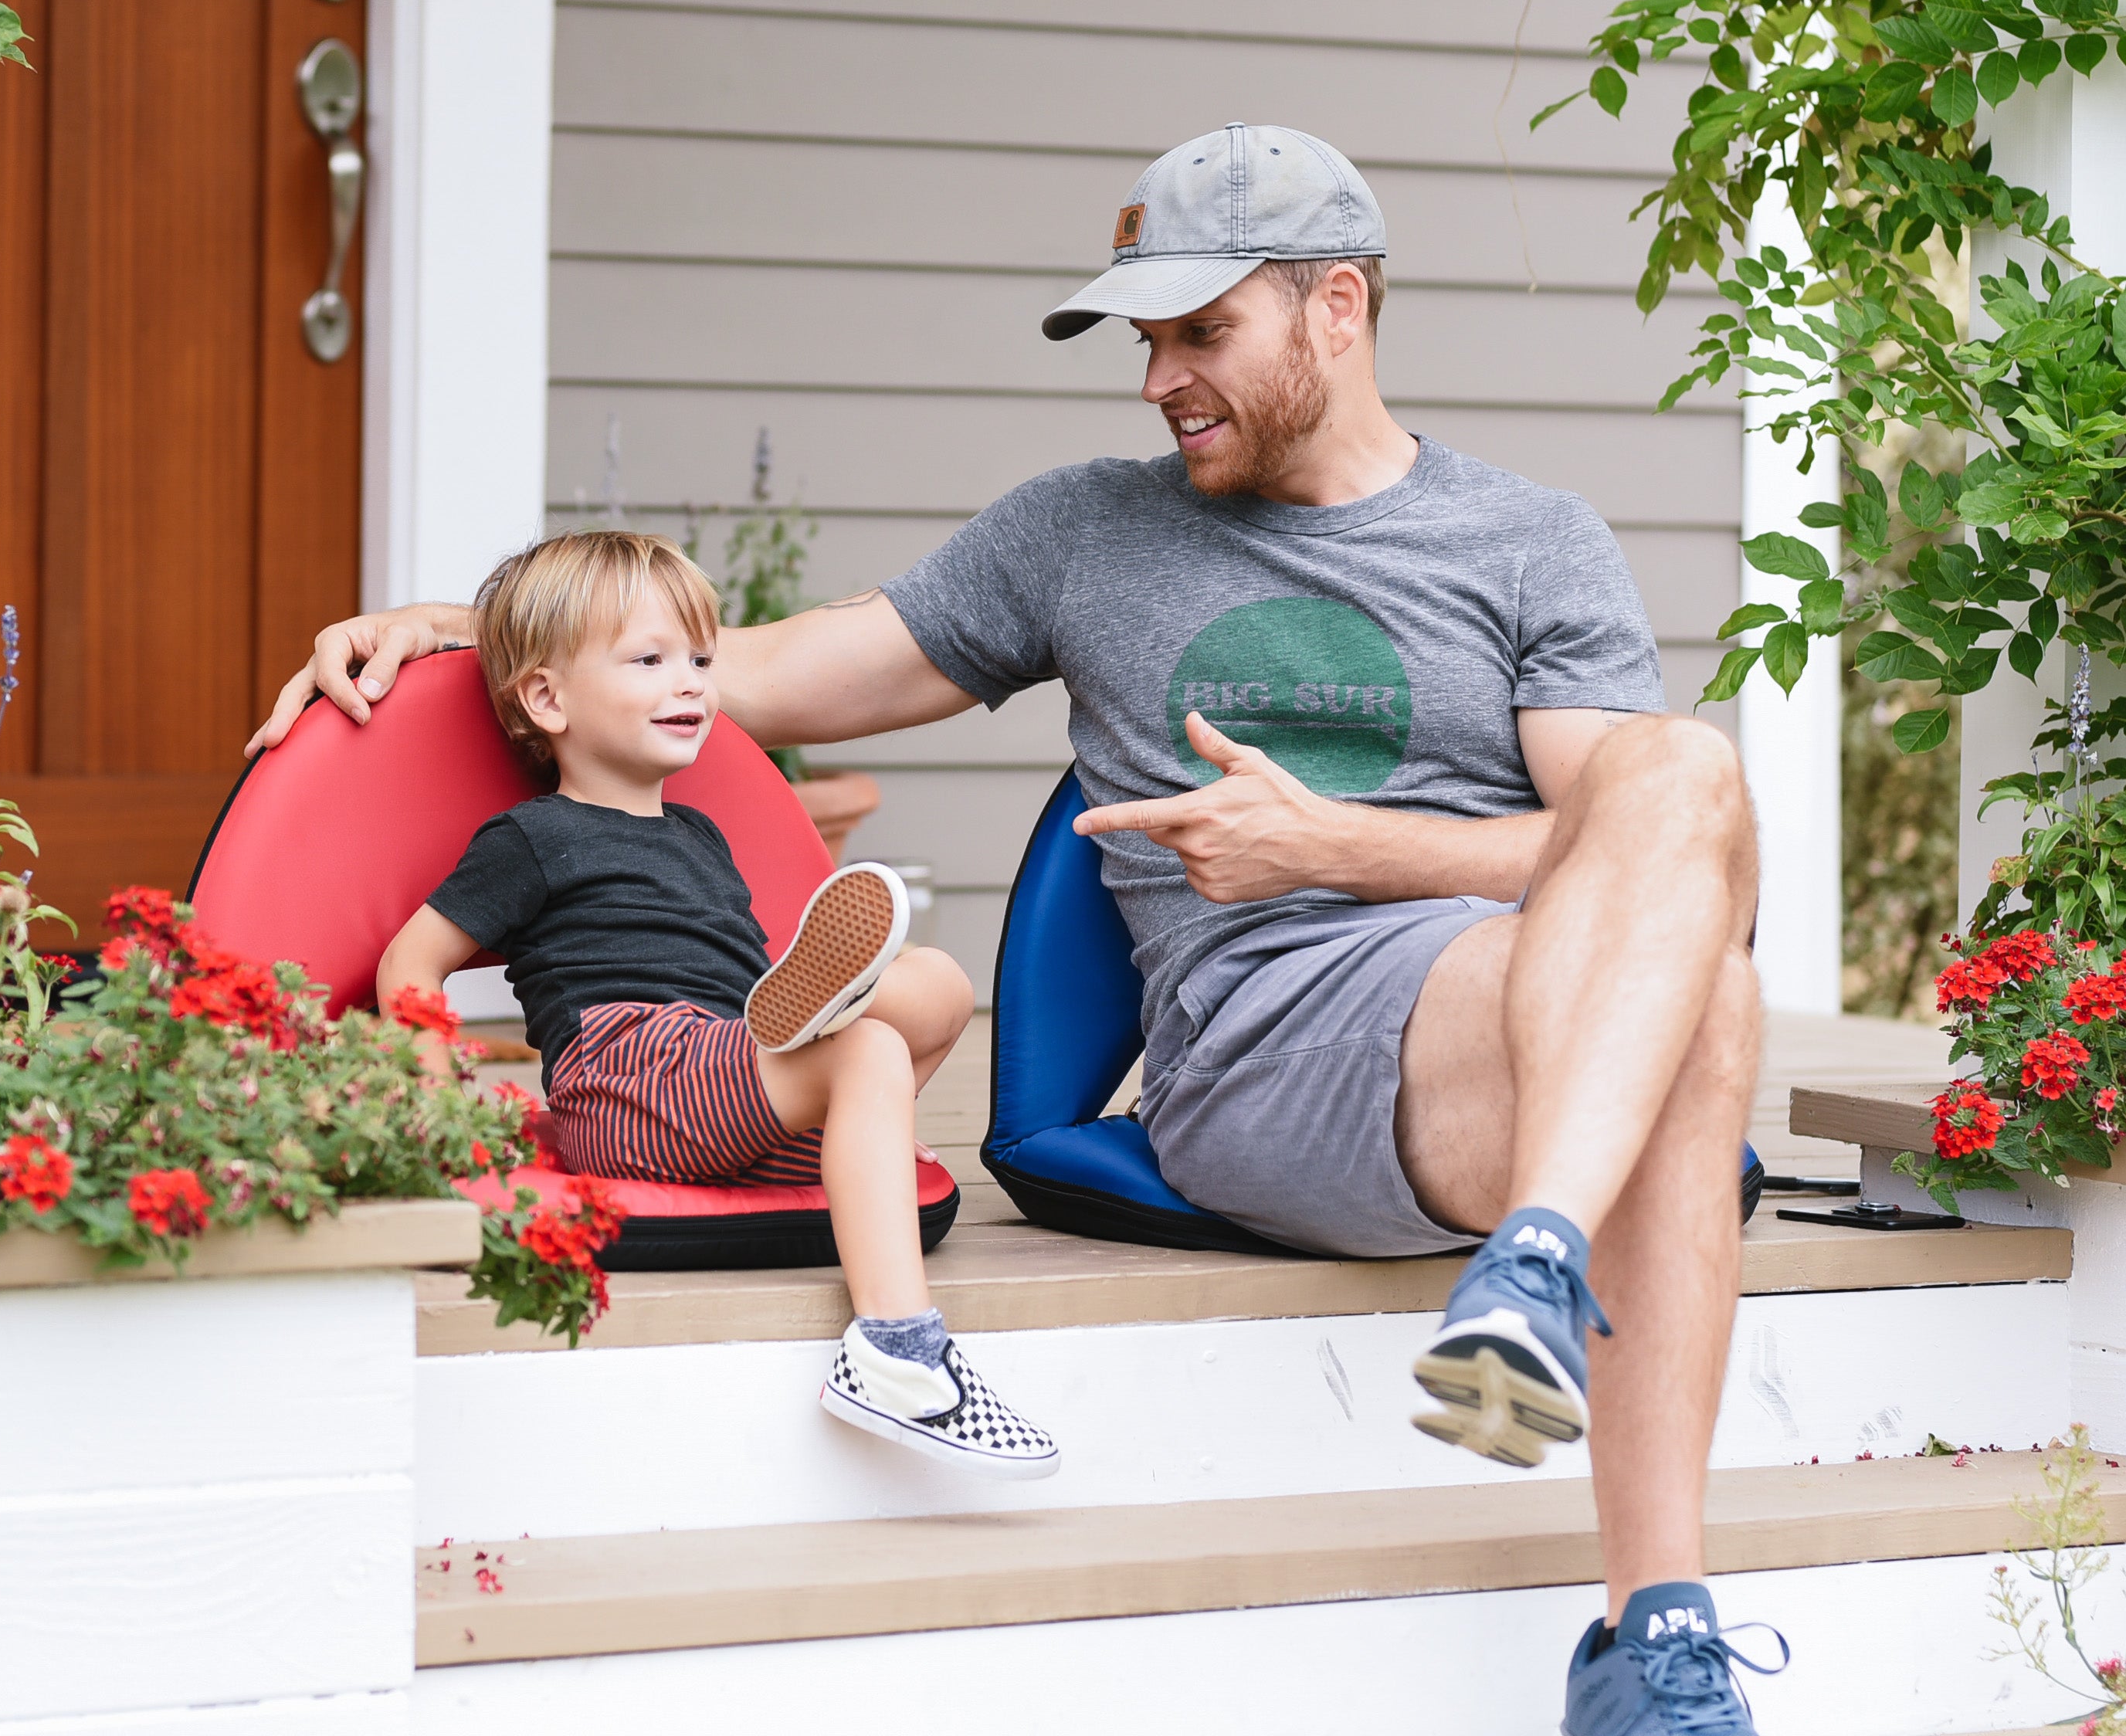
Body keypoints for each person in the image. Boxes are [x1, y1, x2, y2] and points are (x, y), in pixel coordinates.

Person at [265, 124, 1773, 1734]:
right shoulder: (1081, 532)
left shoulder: (1530, 540)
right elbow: (762, 669)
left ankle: (1576, 1392)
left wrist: (1340, 842)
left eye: (1204, 331)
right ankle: (1643, 1584)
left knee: (1687, 794)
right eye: (1146, 339)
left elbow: (1665, 863)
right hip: (1269, 1057)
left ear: (1337, 307)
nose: (1161, 379)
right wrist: (465, 624)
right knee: (1707, 1011)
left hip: (1506, 1025)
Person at [373, 528, 1059, 1479]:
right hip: (625, 1074)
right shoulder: (533, 837)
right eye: (649, 661)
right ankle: (898, 1352)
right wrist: (434, 1109)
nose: (691, 683)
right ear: (548, 699)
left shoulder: (700, 832)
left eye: (701, 659)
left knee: (939, 983)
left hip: (722, 1070)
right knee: (867, 1047)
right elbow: (411, 959)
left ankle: (835, 1065)